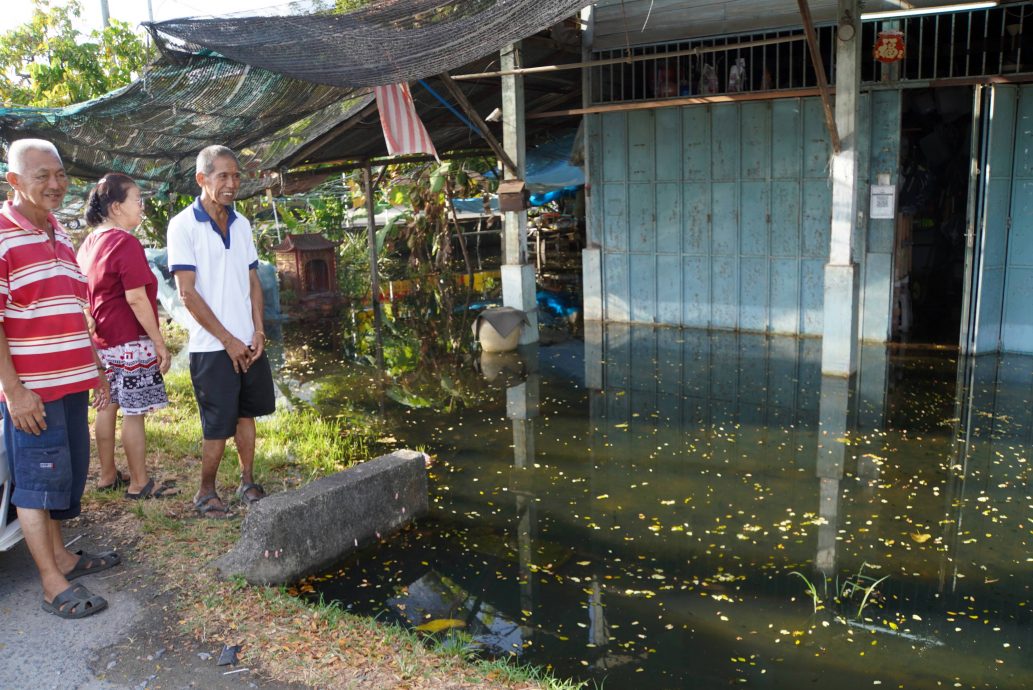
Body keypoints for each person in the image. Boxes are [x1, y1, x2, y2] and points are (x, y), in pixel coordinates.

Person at [1, 138, 115, 619]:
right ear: (13, 182)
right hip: (34, 392)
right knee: (35, 485)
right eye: (41, 176)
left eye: (60, 174)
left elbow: (72, 309)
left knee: (62, 480)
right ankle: (51, 584)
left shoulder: (60, 233)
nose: (55, 184)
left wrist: (96, 364)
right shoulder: (2, 236)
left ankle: (65, 558)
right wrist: (14, 391)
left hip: (71, 384)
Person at [167, 145, 274, 519]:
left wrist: (258, 331)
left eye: (236, 176)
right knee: (217, 423)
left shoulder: (242, 224)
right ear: (202, 179)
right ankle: (205, 492)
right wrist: (228, 340)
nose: (231, 184)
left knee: (247, 414)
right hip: (212, 347)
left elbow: (252, 281)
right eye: (222, 176)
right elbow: (187, 293)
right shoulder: (182, 225)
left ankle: (247, 480)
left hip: (247, 341)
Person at [77, 173, 174, 499]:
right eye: (137, 200)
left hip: (103, 342)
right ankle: (138, 482)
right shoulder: (125, 242)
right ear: (117, 207)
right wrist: (159, 342)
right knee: (133, 412)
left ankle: (107, 475)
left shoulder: (89, 242)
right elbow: (135, 298)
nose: (142, 207)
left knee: (107, 406)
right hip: (130, 341)